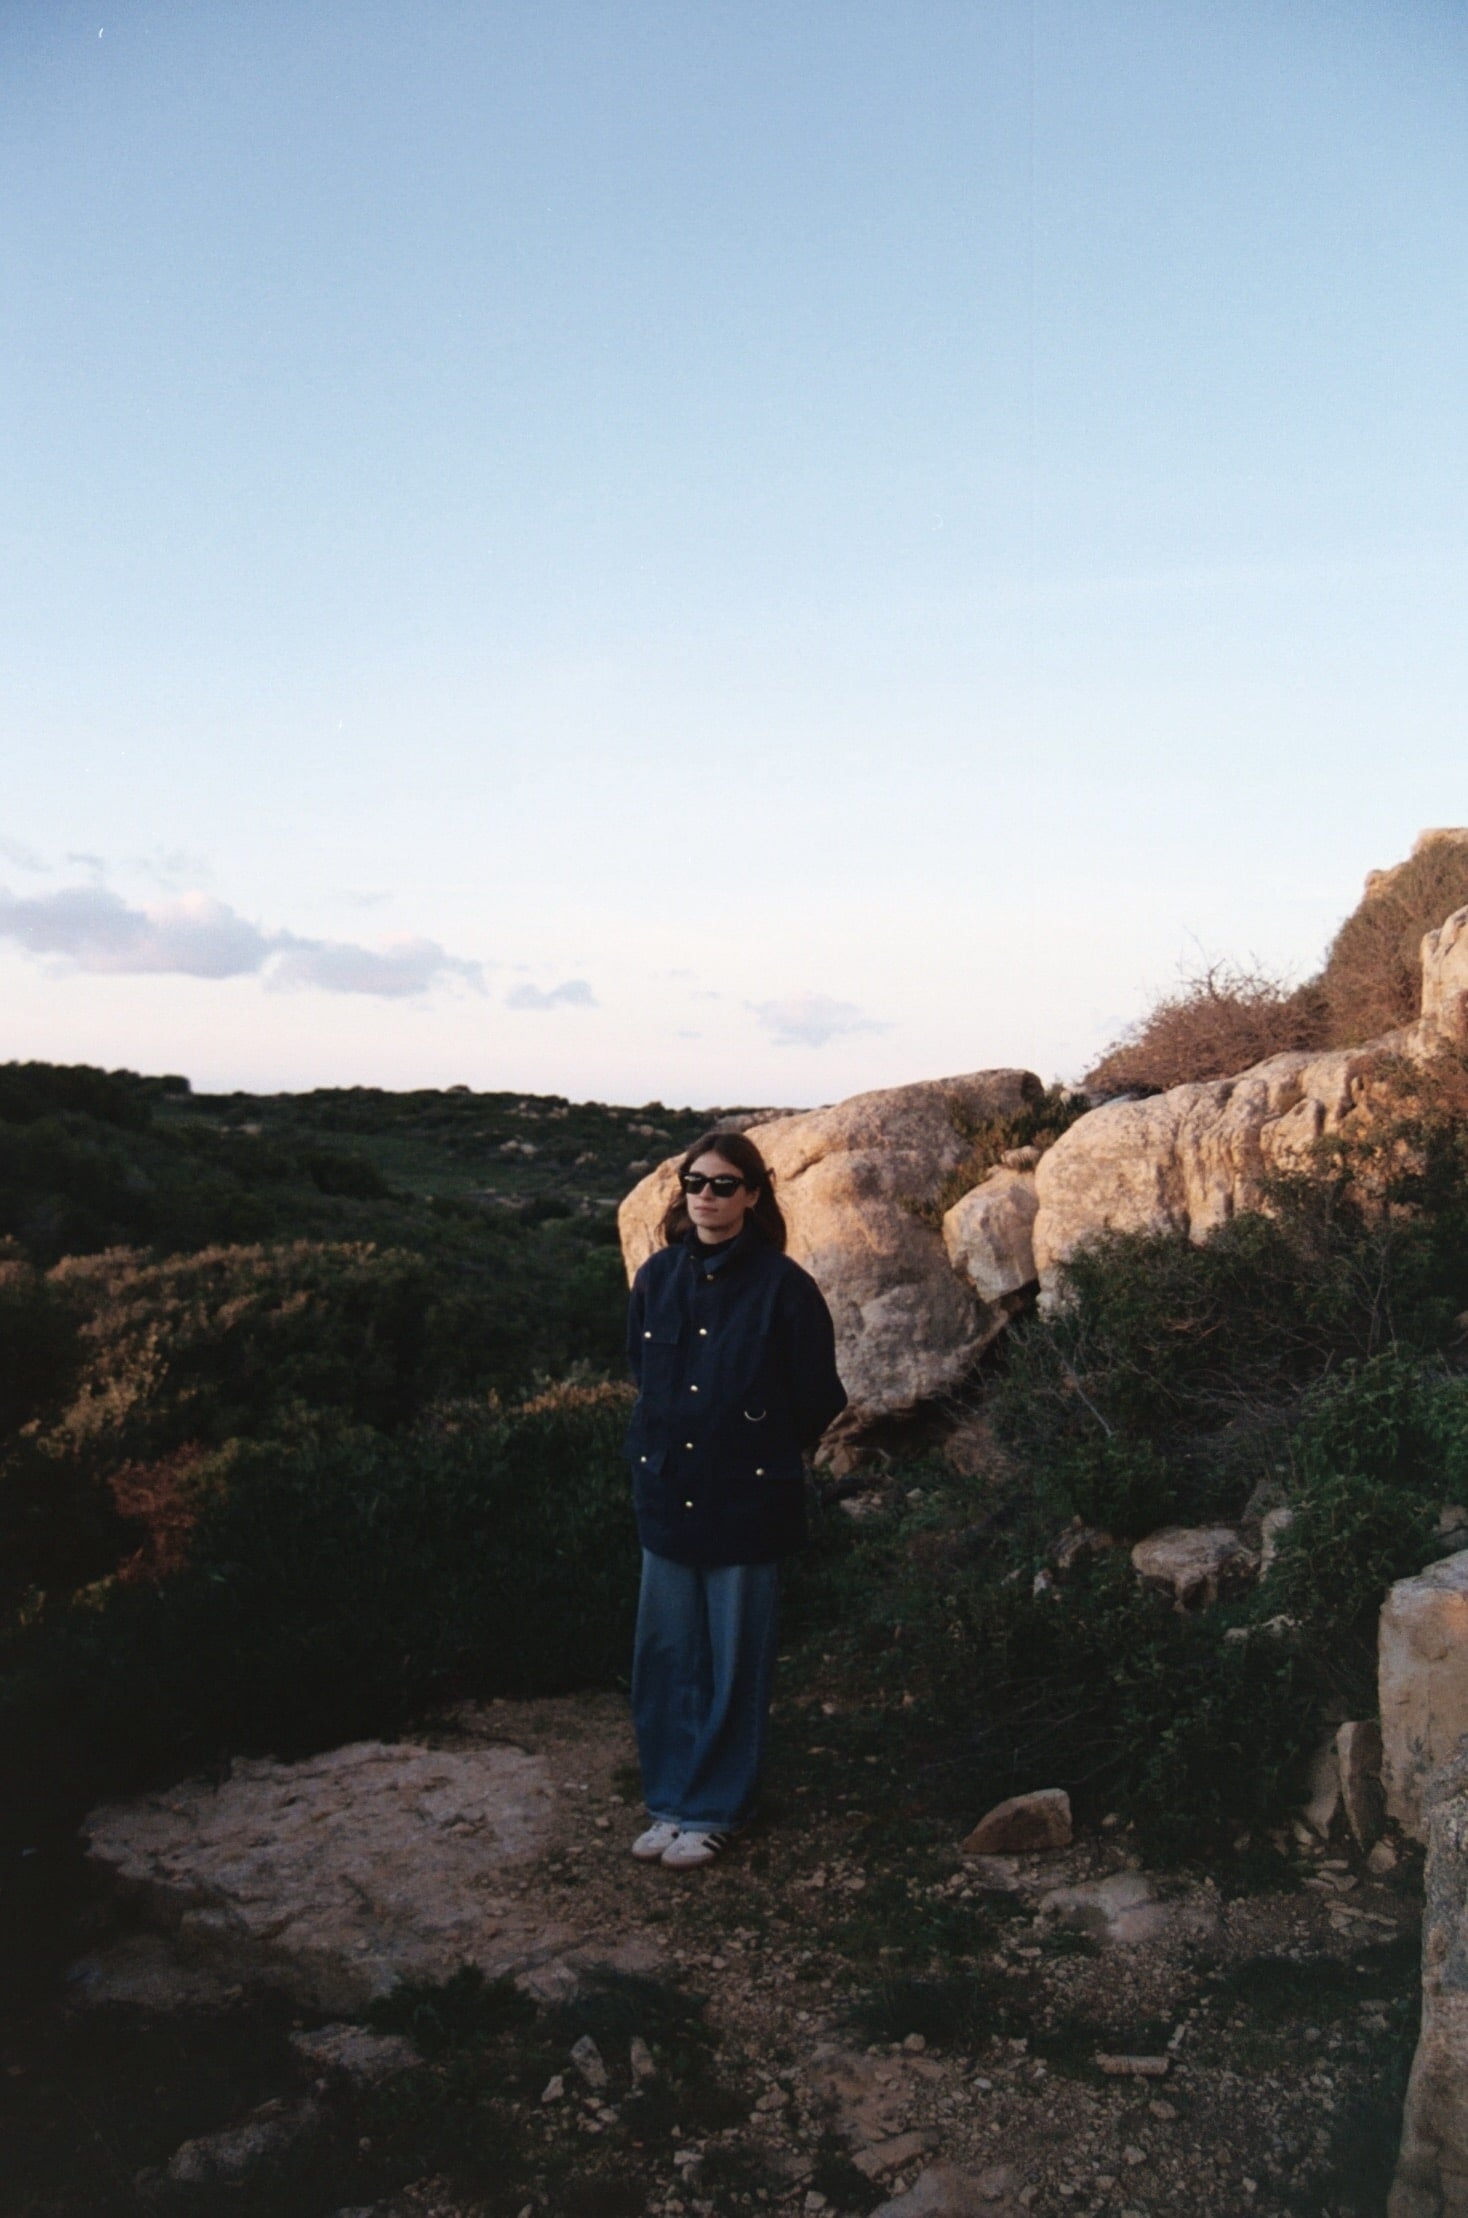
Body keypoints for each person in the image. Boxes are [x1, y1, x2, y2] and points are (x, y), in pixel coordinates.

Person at [623, 1129, 847, 1870]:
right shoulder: (657, 1277)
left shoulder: (785, 1288)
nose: (707, 1197)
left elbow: (818, 1398)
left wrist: (754, 1445)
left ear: (753, 1195)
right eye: (696, 1182)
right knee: (666, 1658)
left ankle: (716, 1810)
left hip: (745, 1504)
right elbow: (642, 1375)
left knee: (732, 1661)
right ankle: (670, 1802)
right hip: (668, 1496)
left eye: (724, 1184)